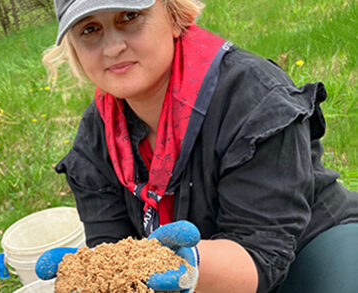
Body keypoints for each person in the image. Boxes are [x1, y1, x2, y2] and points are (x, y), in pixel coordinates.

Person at [36, 0, 358, 292]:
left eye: (130, 17)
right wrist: (98, 271)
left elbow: (261, 255)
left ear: (174, 15)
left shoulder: (252, 97)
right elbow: (113, 249)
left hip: (304, 249)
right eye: (90, 29)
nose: (112, 47)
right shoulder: (95, 139)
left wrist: (189, 263)